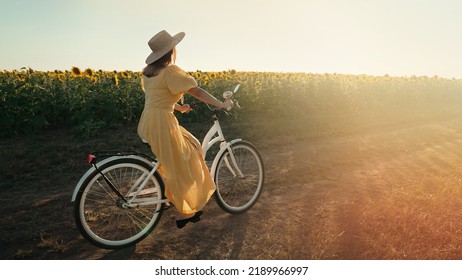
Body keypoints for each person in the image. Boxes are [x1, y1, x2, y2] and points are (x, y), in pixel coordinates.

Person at [137, 30, 233, 229]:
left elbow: (158, 97)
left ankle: (178, 197)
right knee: (183, 163)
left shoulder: (149, 73)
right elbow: (196, 91)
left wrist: (180, 107)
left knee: (191, 146)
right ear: (170, 51)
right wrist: (221, 105)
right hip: (162, 123)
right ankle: (184, 211)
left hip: (149, 120)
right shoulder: (170, 71)